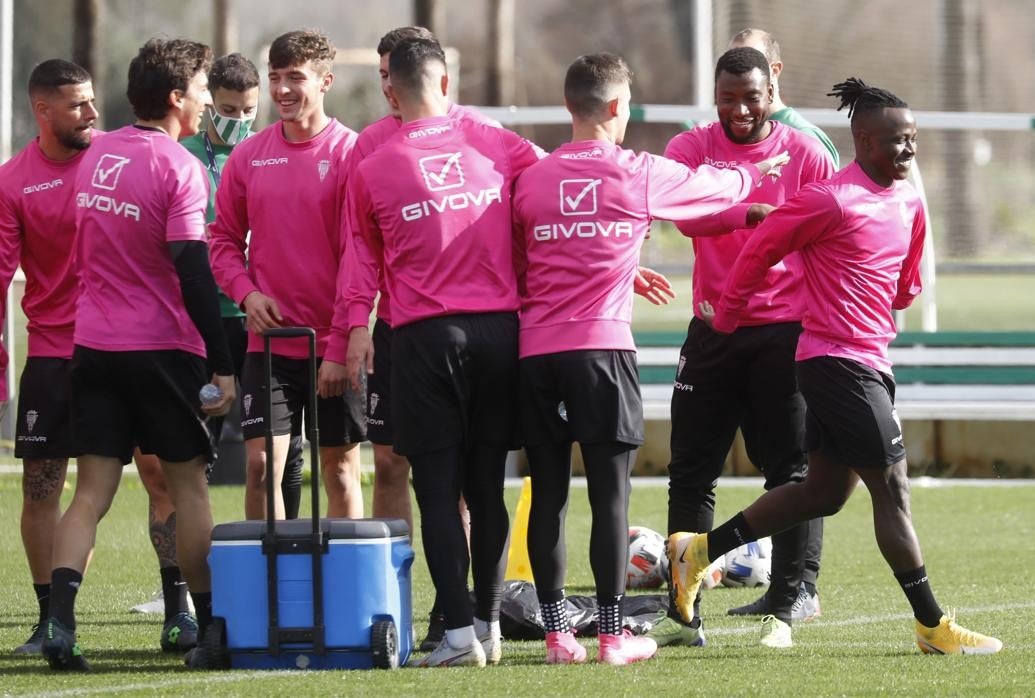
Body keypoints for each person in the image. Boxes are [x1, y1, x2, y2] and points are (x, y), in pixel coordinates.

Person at [668, 78, 1002, 656]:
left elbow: (906, 281)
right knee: (892, 489)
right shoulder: (830, 198)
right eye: (898, 140)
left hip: (869, 359)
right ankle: (931, 624)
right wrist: (728, 313)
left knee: (821, 492)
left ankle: (695, 553)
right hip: (833, 362)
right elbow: (763, 244)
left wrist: (891, 287)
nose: (909, 150)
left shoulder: (909, 200)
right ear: (864, 140)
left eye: (914, 139)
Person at [511, 52, 788, 666]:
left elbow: (525, 257)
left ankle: (558, 636)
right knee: (610, 496)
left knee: (550, 492)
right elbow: (721, 187)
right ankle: (611, 635)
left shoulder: (530, 179)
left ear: (567, 106)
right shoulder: (634, 171)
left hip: (535, 356)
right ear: (617, 108)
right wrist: (754, 177)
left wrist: (621, 263)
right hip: (600, 351)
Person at [342, 35, 543, 668]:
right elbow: (562, 185)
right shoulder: (499, 144)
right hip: (499, 334)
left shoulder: (372, 162)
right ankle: (488, 625)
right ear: (447, 84)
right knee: (485, 487)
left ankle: (457, 634)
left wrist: (352, 328)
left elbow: (359, 258)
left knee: (436, 488)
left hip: (422, 337)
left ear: (389, 91)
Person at [40, 37, 235, 671]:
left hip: (93, 345)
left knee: (90, 490)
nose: (209, 100)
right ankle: (209, 632)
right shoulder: (180, 167)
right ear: (177, 97)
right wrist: (224, 360)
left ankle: (60, 627)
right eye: (204, 88)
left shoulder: (96, 157)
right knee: (189, 490)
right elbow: (193, 271)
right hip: (161, 350)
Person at [0, 59, 197, 657]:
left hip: (123, 346)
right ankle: (50, 619)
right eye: (77, 104)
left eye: (92, 101)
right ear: (43, 110)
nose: (91, 113)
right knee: (42, 486)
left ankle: (179, 609)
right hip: (55, 354)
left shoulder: (112, 158)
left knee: (162, 477)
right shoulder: (13, 181)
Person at [649, 46, 837, 650]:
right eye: (727, 98)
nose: (739, 110)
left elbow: (833, 228)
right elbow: (683, 214)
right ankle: (684, 609)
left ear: (769, 91)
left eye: (750, 97)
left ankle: (791, 596)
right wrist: (749, 213)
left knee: (791, 467)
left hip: (785, 329)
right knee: (691, 469)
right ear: (715, 94)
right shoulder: (692, 148)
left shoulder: (806, 151)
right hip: (712, 329)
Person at [210, 29, 365, 522]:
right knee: (259, 469)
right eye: (275, 78)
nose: (281, 90)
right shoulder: (249, 156)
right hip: (271, 347)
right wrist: (246, 293)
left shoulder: (351, 154)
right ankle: (267, 590)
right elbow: (222, 242)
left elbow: (363, 258)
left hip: (333, 348)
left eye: (295, 78)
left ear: (325, 82)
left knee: (339, 473)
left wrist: (340, 344)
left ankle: (344, 595)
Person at [180, 52, 306, 517]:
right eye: (230, 110)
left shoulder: (269, 151)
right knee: (195, 446)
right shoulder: (185, 153)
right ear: (211, 103)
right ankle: (191, 575)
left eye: (248, 111)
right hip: (201, 319)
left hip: (260, 317)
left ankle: (286, 545)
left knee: (280, 453)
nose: (239, 120)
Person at [729, 28, 840, 166]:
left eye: (748, 63)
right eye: (731, 64)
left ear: (774, 70)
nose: (737, 73)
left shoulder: (806, 139)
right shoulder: (723, 135)